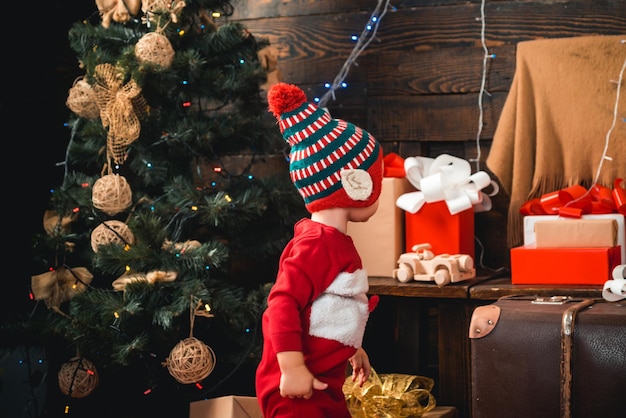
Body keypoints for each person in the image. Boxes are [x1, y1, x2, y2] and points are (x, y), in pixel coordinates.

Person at [255, 82, 384, 418]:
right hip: (296, 388)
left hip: (323, 379)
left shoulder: (333, 241)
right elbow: (281, 304)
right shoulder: (317, 244)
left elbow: (325, 308)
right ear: (355, 185)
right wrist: (293, 367)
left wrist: (349, 347)